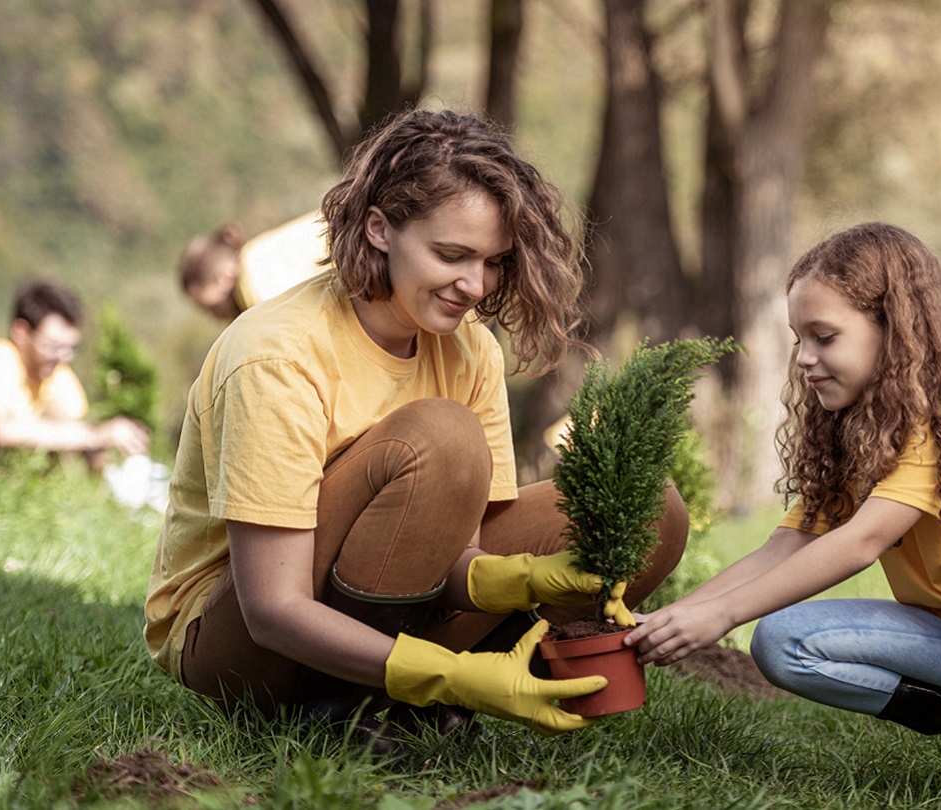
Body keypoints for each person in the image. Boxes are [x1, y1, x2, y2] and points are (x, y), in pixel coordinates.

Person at [144, 108, 689, 741]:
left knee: (653, 509)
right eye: (451, 254)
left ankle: (427, 696)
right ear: (379, 229)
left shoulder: (469, 349)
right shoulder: (277, 355)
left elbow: (449, 552)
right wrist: (452, 676)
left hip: (387, 610)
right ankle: (350, 707)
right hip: (243, 640)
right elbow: (272, 608)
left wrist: (523, 578)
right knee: (441, 436)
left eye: (493, 262)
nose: (474, 285)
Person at [626, 223, 941, 806]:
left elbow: (862, 541)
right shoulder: (862, 426)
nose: (806, 359)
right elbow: (783, 548)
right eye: (798, 339)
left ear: (893, 330)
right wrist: (674, 618)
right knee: (780, 641)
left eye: (825, 337)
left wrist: (721, 618)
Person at [0, 281, 150, 463]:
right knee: (19, 431)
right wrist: (97, 434)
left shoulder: (57, 375)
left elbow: (76, 431)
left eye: (71, 348)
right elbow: (3, 432)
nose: (64, 357)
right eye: (54, 347)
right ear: (21, 332)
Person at [178, 211, 328, 319]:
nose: (214, 318)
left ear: (224, 276)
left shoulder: (261, 300)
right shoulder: (261, 248)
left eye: (210, 309)